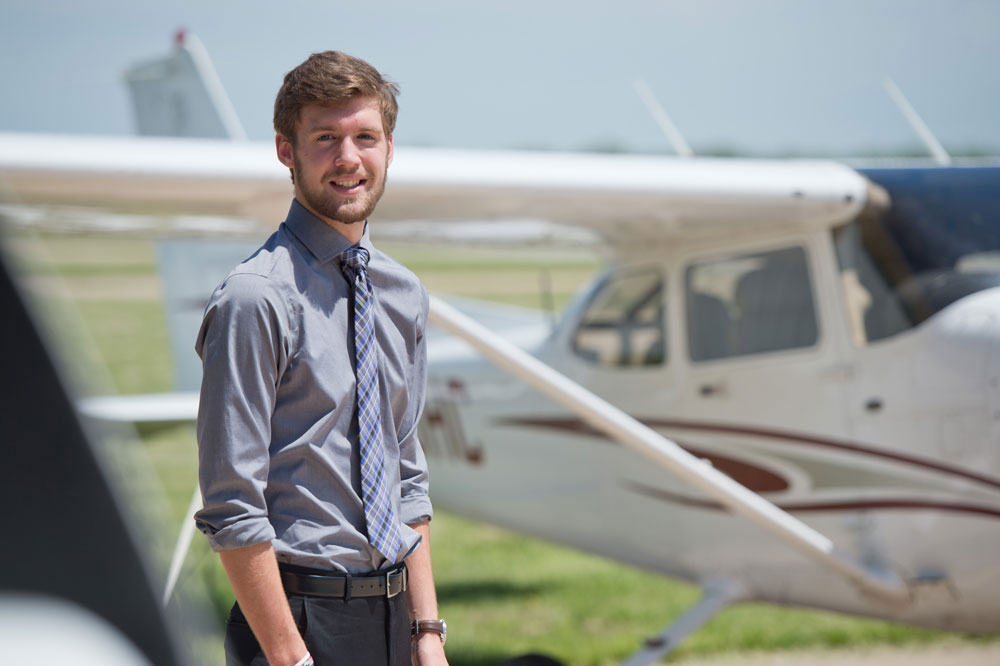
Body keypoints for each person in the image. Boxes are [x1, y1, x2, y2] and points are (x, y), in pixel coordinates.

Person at [194, 51, 449, 666]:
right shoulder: (255, 298)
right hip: (295, 620)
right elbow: (232, 504)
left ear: (389, 147)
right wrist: (291, 657)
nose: (348, 158)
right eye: (325, 138)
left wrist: (427, 634)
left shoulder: (403, 293)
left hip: (393, 617)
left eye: (365, 137)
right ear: (286, 150)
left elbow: (405, 474)